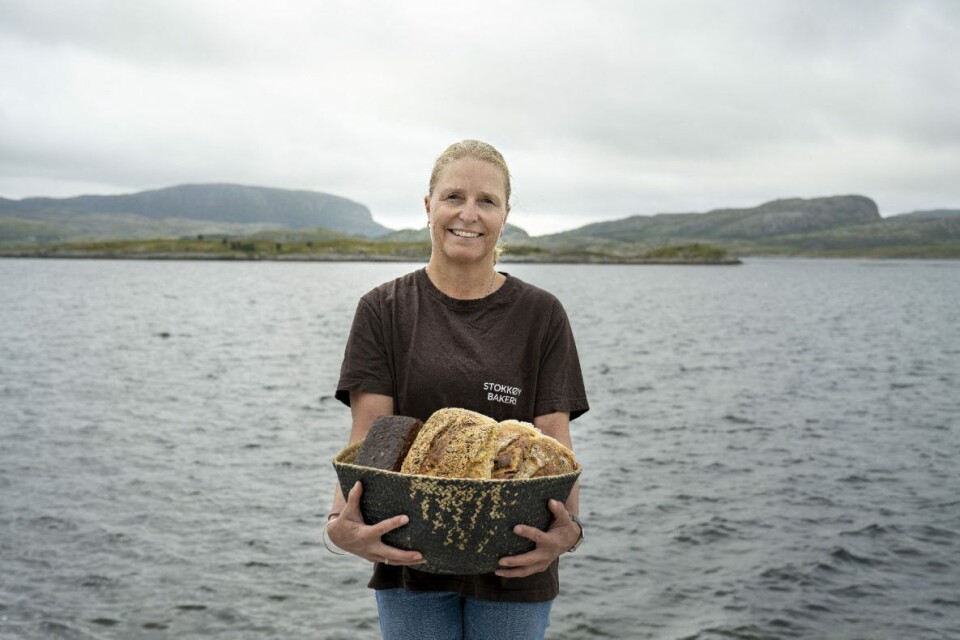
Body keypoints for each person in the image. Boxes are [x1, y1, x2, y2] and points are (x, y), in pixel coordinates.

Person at [325, 139, 589, 640]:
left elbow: (555, 444)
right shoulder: (384, 310)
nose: (469, 214)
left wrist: (568, 533)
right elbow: (369, 436)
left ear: (506, 214)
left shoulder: (541, 315)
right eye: (453, 197)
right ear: (429, 206)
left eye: (487, 201)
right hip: (408, 556)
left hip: (516, 558)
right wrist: (340, 521)